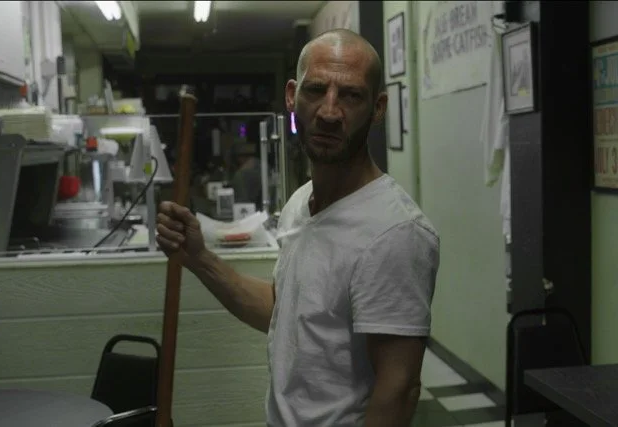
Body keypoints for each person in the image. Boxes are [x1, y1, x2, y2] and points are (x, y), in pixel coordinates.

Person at [155, 29, 440, 426]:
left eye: (351, 95)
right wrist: (198, 258)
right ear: (292, 95)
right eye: (316, 90)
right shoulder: (299, 204)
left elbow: (399, 388)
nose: (328, 111)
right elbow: (285, 312)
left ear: (377, 109)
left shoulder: (394, 232)